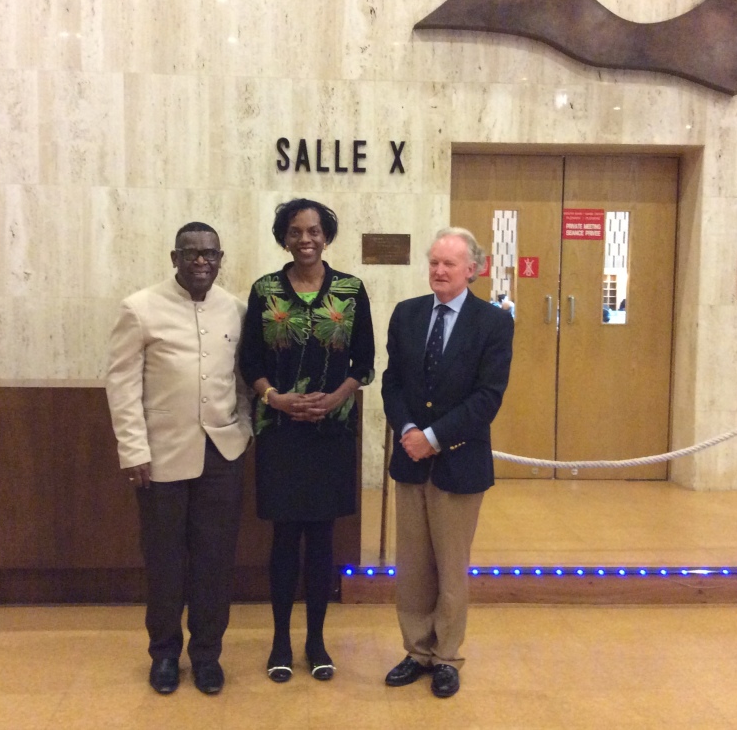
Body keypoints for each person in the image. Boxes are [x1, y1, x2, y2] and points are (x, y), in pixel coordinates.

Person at [105, 222, 252, 696]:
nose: (201, 262)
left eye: (210, 254)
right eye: (191, 254)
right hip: (160, 459)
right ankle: (165, 654)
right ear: (174, 258)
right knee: (165, 562)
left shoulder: (235, 309)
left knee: (215, 561)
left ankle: (207, 655)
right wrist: (133, 449)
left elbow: (245, 381)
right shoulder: (140, 308)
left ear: (221, 258)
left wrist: (244, 429)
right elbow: (122, 386)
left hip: (222, 455)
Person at [239, 198, 375, 684]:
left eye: (314, 231)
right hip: (279, 434)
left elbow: (364, 365)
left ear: (327, 235)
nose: (306, 240)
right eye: (295, 231)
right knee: (283, 540)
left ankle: (316, 640)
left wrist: (332, 397)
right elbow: (249, 363)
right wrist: (277, 400)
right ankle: (279, 640)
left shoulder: (351, 290)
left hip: (330, 434)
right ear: (283, 236)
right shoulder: (265, 290)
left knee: (321, 540)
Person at [381, 227, 514, 698]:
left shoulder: (494, 323)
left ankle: (446, 657)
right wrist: (408, 432)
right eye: (434, 262)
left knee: (451, 566)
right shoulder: (407, 314)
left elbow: (488, 398)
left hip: (459, 463)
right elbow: (391, 382)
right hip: (410, 460)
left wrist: (434, 438)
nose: (438, 270)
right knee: (413, 564)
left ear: (472, 270)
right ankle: (416, 651)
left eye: (449, 264)